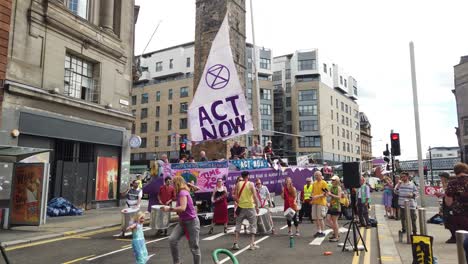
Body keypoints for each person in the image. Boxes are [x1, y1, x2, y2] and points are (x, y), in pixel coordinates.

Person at [162, 176, 201, 264]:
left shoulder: (183, 192)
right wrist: (190, 184)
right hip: (183, 222)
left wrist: (169, 209)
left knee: (194, 247)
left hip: (192, 222)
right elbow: (197, 188)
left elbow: (183, 208)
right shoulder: (183, 191)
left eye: (173, 184)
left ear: (177, 184)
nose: (172, 186)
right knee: (172, 239)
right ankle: (177, 262)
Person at [232, 171, 260, 251]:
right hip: (250, 207)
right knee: (253, 225)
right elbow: (255, 196)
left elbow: (236, 196)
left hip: (240, 207)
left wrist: (239, 202)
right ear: (248, 176)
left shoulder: (238, 184)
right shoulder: (251, 184)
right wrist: (257, 207)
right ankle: (252, 244)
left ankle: (235, 243)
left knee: (238, 225)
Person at [445, 162, 468, 243]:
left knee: (463, 240)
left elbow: (448, 202)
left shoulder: (453, 183)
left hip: (460, 214)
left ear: (455, 171)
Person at [311, 171, 329, 237]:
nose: (316, 177)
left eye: (317, 175)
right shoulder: (314, 183)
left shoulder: (324, 183)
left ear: (321, 175)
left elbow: (326, 193)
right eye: (315, 175)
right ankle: (319, 231)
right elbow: (312, 192)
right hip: (314, 202)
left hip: (321, 202)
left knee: (320, 218)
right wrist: (312, 197)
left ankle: (323, 232)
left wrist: (317, 196)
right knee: (315, 218)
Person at [327, 175, 342, 242]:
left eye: (333, 180)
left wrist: (331, 194)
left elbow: (339, 197)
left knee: (334, 221)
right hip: (331, 205)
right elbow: (329, 195)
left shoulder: (338, 188)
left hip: (336, 206)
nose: (332, 181)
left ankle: (336, 236)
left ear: (337, 181)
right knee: (328, 219)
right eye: (332, 180)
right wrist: (327, 194)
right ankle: (336, 232)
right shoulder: (332, 187)